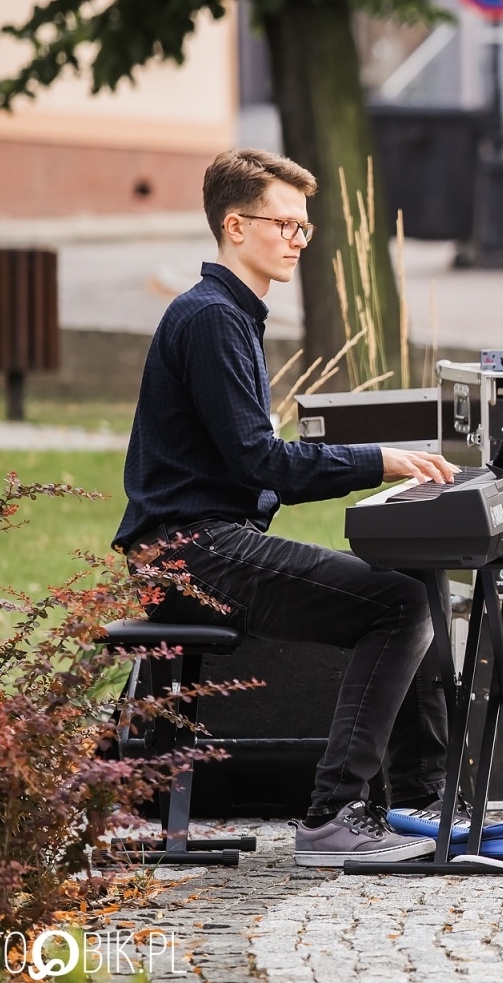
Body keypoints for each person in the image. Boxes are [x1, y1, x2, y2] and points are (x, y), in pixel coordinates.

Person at [114, 149, 459, 867]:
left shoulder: (230, 315)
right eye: (286, 226)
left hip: (203, 540)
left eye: (305, 229)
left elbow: (249, 467)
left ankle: (417, 804)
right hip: (189, 553)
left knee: (411, 583)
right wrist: (382, 462)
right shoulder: (210, 319)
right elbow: (260, 461)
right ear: (235, 226)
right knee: (399, 606)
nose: (299, 241)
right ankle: (333, 818)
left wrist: (369, 479)